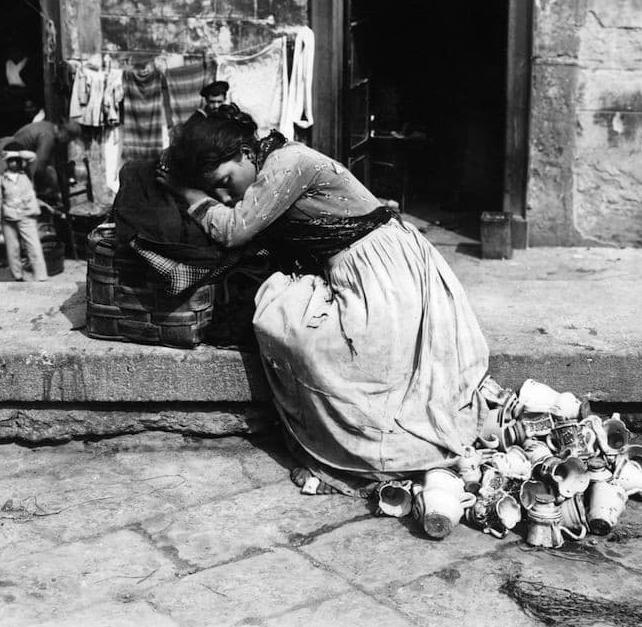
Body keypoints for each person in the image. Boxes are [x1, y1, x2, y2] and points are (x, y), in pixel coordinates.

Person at [160, 106, 490, 496]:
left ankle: (368, 448)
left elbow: (233, 230)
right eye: (215, 188)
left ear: (246, 155)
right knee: (288, 314)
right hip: (363, 268)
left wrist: (189, 195)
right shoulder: (274, 162)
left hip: (386, 275)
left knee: (305, 334)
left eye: (225, 180)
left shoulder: (289, 162)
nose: (225, 194)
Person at [0, 147, 48, 282]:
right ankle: (17, 276)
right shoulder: (1, 179)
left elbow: (33, 157)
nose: (14, 164)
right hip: (9, 216)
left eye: (17, 161)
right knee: (12, 249)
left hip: (26, 215)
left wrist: (16, 153)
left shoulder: (27, 173)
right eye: (11, 161)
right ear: (7, 163)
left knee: (33, 246)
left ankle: (41, 277)